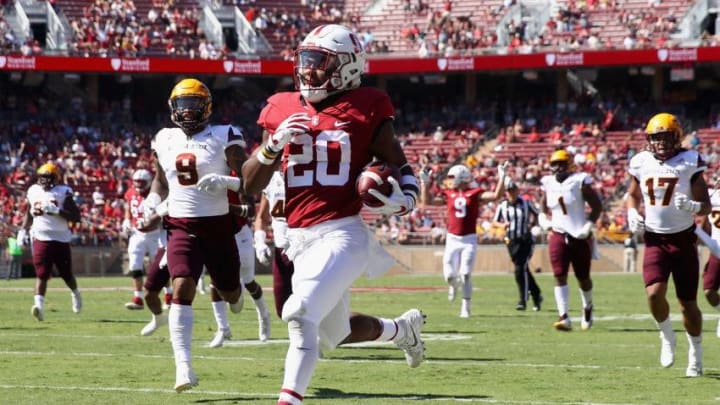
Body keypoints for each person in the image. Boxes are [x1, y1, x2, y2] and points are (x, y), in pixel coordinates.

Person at [242, 24, 426, 405]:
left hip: (341, 233)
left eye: (319, 62)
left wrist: (406, 197)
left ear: (347, 66)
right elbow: (250, 184)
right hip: (297, 239)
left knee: (299, 314)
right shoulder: (280, 106)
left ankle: (289, 400)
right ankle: (401, 330)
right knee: (334, 334)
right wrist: (273, 147)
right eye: (305, 60)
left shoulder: (368, 104)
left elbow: (399, 164)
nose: (308, 71)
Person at [146, 78, 247, 392]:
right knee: (182, 285)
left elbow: (247, 179)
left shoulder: (224, 135)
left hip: (218, 226)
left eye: (193, 105)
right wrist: (151, 200)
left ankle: (235, 290)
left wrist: (226, 182)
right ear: (173, 107)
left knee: (230, 294)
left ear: (207, 107)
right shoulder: (163, 138)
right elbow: (160, 181)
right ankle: (184, 367)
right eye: (182, 104)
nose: (188, 111)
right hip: (181, 224)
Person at [626, 112, 710, 377]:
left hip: (683, 239)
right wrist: (631, 211)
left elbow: (706, 204)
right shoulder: (640, 162)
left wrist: (694, 206)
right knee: (653, 294)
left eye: (665, 137)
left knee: (688, 303)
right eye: (656, 137)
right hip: (655, 238)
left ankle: (695, 354)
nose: (661, 142)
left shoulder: (689, 161)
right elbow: (632, 194)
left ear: (676, 137)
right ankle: (666, 335)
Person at [420, 163, 507, 318]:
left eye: (452, 177)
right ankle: (453, 286)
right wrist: (424, 182)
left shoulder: (475, 193)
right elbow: (427, 201)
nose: (450, 180)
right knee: (449, 276)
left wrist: (502, 176)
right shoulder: (449, 193)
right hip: (452, 238)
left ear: (461, 177)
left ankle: (465, 308)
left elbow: (496, 196)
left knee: (466, 273)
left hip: (469, 239)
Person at [539, 149, 602, 331]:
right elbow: (544, 203)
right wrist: (543, 217)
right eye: (554, 164)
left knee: (583, 277)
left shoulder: (580, 181)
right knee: (559, 275)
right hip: (558, 234)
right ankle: (563, 316)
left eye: (561, 164)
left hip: (579, 235)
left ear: (569, 165)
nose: (558, 168)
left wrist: (589, 225)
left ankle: (588, 306)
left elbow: (597, 205)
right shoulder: (548, 183)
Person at [18, 162, 82, 321]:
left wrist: (58, 211)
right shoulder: (33, 190)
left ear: (55, 177)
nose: (44, 180)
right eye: (42, 176)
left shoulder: (63, 192)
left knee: (66, 274)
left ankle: (75, 293)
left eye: (47, 177)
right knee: (42, 273)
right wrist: (22, 230)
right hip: (40, 236)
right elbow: (28, 213)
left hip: (60, 237)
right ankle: (38, 307)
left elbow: (76, 217)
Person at [207, 188, 271, 347]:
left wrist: (225, 207)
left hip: (239, 233)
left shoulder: (236, 175)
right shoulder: (206, 173)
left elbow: (250, 211)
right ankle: (223, 328)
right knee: (215, 281)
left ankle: (263, 315)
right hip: (217, 233)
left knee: (248, 281)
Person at [492, 179, 542, 311]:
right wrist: (503, 225)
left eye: (513, 191)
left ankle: (523, 300)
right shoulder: (502, 206)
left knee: (520, 268)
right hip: (511, 241)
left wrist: (533, 224)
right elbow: (495, 221)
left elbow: (537, 214)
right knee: (522, 269)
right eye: (508, 191)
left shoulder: (525, 203)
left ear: (517, 191)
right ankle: (536, 294)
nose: (511, 194)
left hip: (525, 240)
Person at [122, 169, 167, 310]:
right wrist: (127, 220)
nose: (139, 185)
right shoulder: (130, 193)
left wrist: (150, 222)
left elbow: (163, 213)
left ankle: (169, 295)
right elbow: (128, 207)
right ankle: (138, 298)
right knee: (134, 265)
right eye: (136, 181)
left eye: (142, 182)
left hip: (154, 234)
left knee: (160, 267)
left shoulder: (156, 194)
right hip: (137, 234)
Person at [254, 170, 293, 318]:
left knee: (309, 305)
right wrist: (259, 241)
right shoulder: (271, 179)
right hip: (281, 251)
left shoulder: (308, 174)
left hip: (305, 249)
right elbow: (262, 218)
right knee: (282, 310)